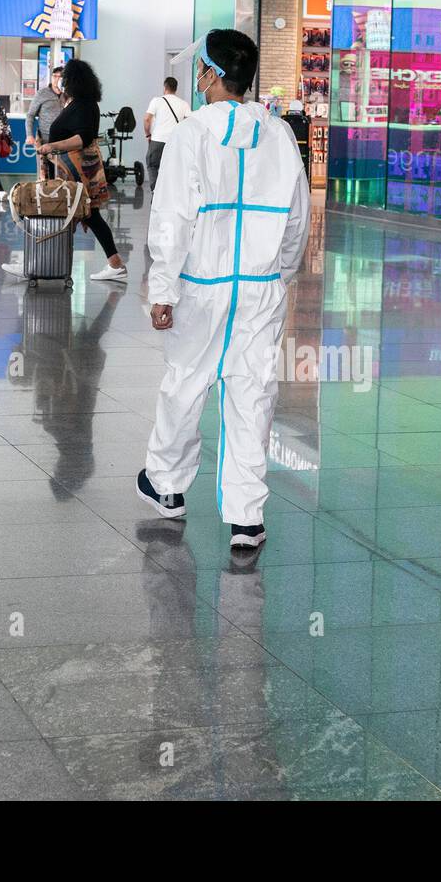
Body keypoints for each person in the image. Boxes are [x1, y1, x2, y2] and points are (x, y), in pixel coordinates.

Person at [136, 29, 310, 551]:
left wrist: (163, 289)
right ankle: (247, 518)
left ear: (211, 74)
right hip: (259, 290)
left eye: (201, 69)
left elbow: (171, 218)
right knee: (253, 395)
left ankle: (167, 487)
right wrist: (280, 273)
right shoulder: (278, 135)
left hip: (201, 288)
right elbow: (297, 218)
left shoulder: (191, 134)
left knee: (186, 383)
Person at [29, 59, 127, 283]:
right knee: (82, 215)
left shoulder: (83, 105)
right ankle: (41, 263)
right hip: (75, 168)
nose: (62, 82)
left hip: (77, 170)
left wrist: (53, 146)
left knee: (70, 213)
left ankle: (39, 264)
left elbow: (81, 138)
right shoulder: (80, 103)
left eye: (65, 78)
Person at [143, 76, 190, 189]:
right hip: (175, 141)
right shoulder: (184, 104)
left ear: (165, 87)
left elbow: (147, 119)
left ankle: (155, 190)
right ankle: (170, 194)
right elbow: (189, 121)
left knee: (152, 165)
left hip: (158, 140)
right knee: (173, 169)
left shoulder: (157, 101)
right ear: (176, 88)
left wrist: (148, 134)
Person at [26, 66, 65, 178]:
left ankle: (61, 194)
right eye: (54, 76)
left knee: (62, 173)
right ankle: (46, 194)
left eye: (60, 77)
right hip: (45, 139)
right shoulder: (42, 93)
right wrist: (29, 135)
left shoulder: (67, 95)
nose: (57, 79)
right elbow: (30, 115)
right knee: (45, 173)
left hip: (63, 140)